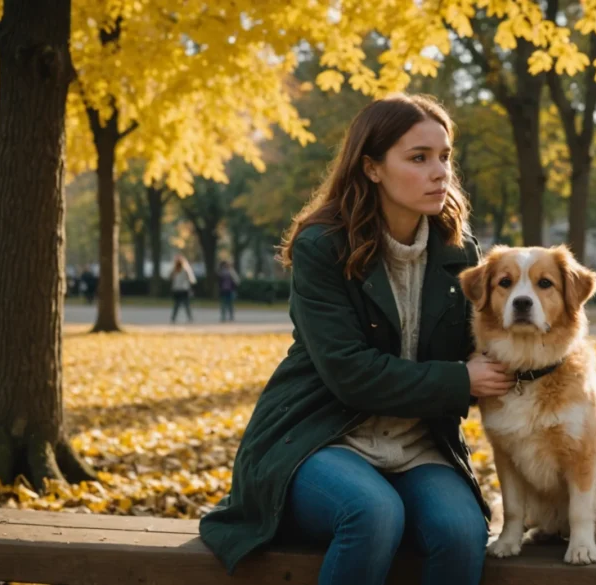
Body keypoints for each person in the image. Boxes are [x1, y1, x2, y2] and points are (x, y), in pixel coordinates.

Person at [198, 94, 515, 585]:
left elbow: (489, 346)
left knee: (461, 530)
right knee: (373, 513)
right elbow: (350, 372)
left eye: (445, 157)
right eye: (418, 158)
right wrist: (460, 379)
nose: (440, 173)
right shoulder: (322, 246)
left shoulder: (461, 252)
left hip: (419, 447)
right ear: (371, 168)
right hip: (319, 438)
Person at [169, 255, 195, 324]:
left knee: (177, 305)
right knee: (185, 305)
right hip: (183, 289)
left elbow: (171, 278)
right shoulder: (185, 270)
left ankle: (174, 318)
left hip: (178, 289)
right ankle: (189, 317)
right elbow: (191, 280)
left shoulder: (175, 270)